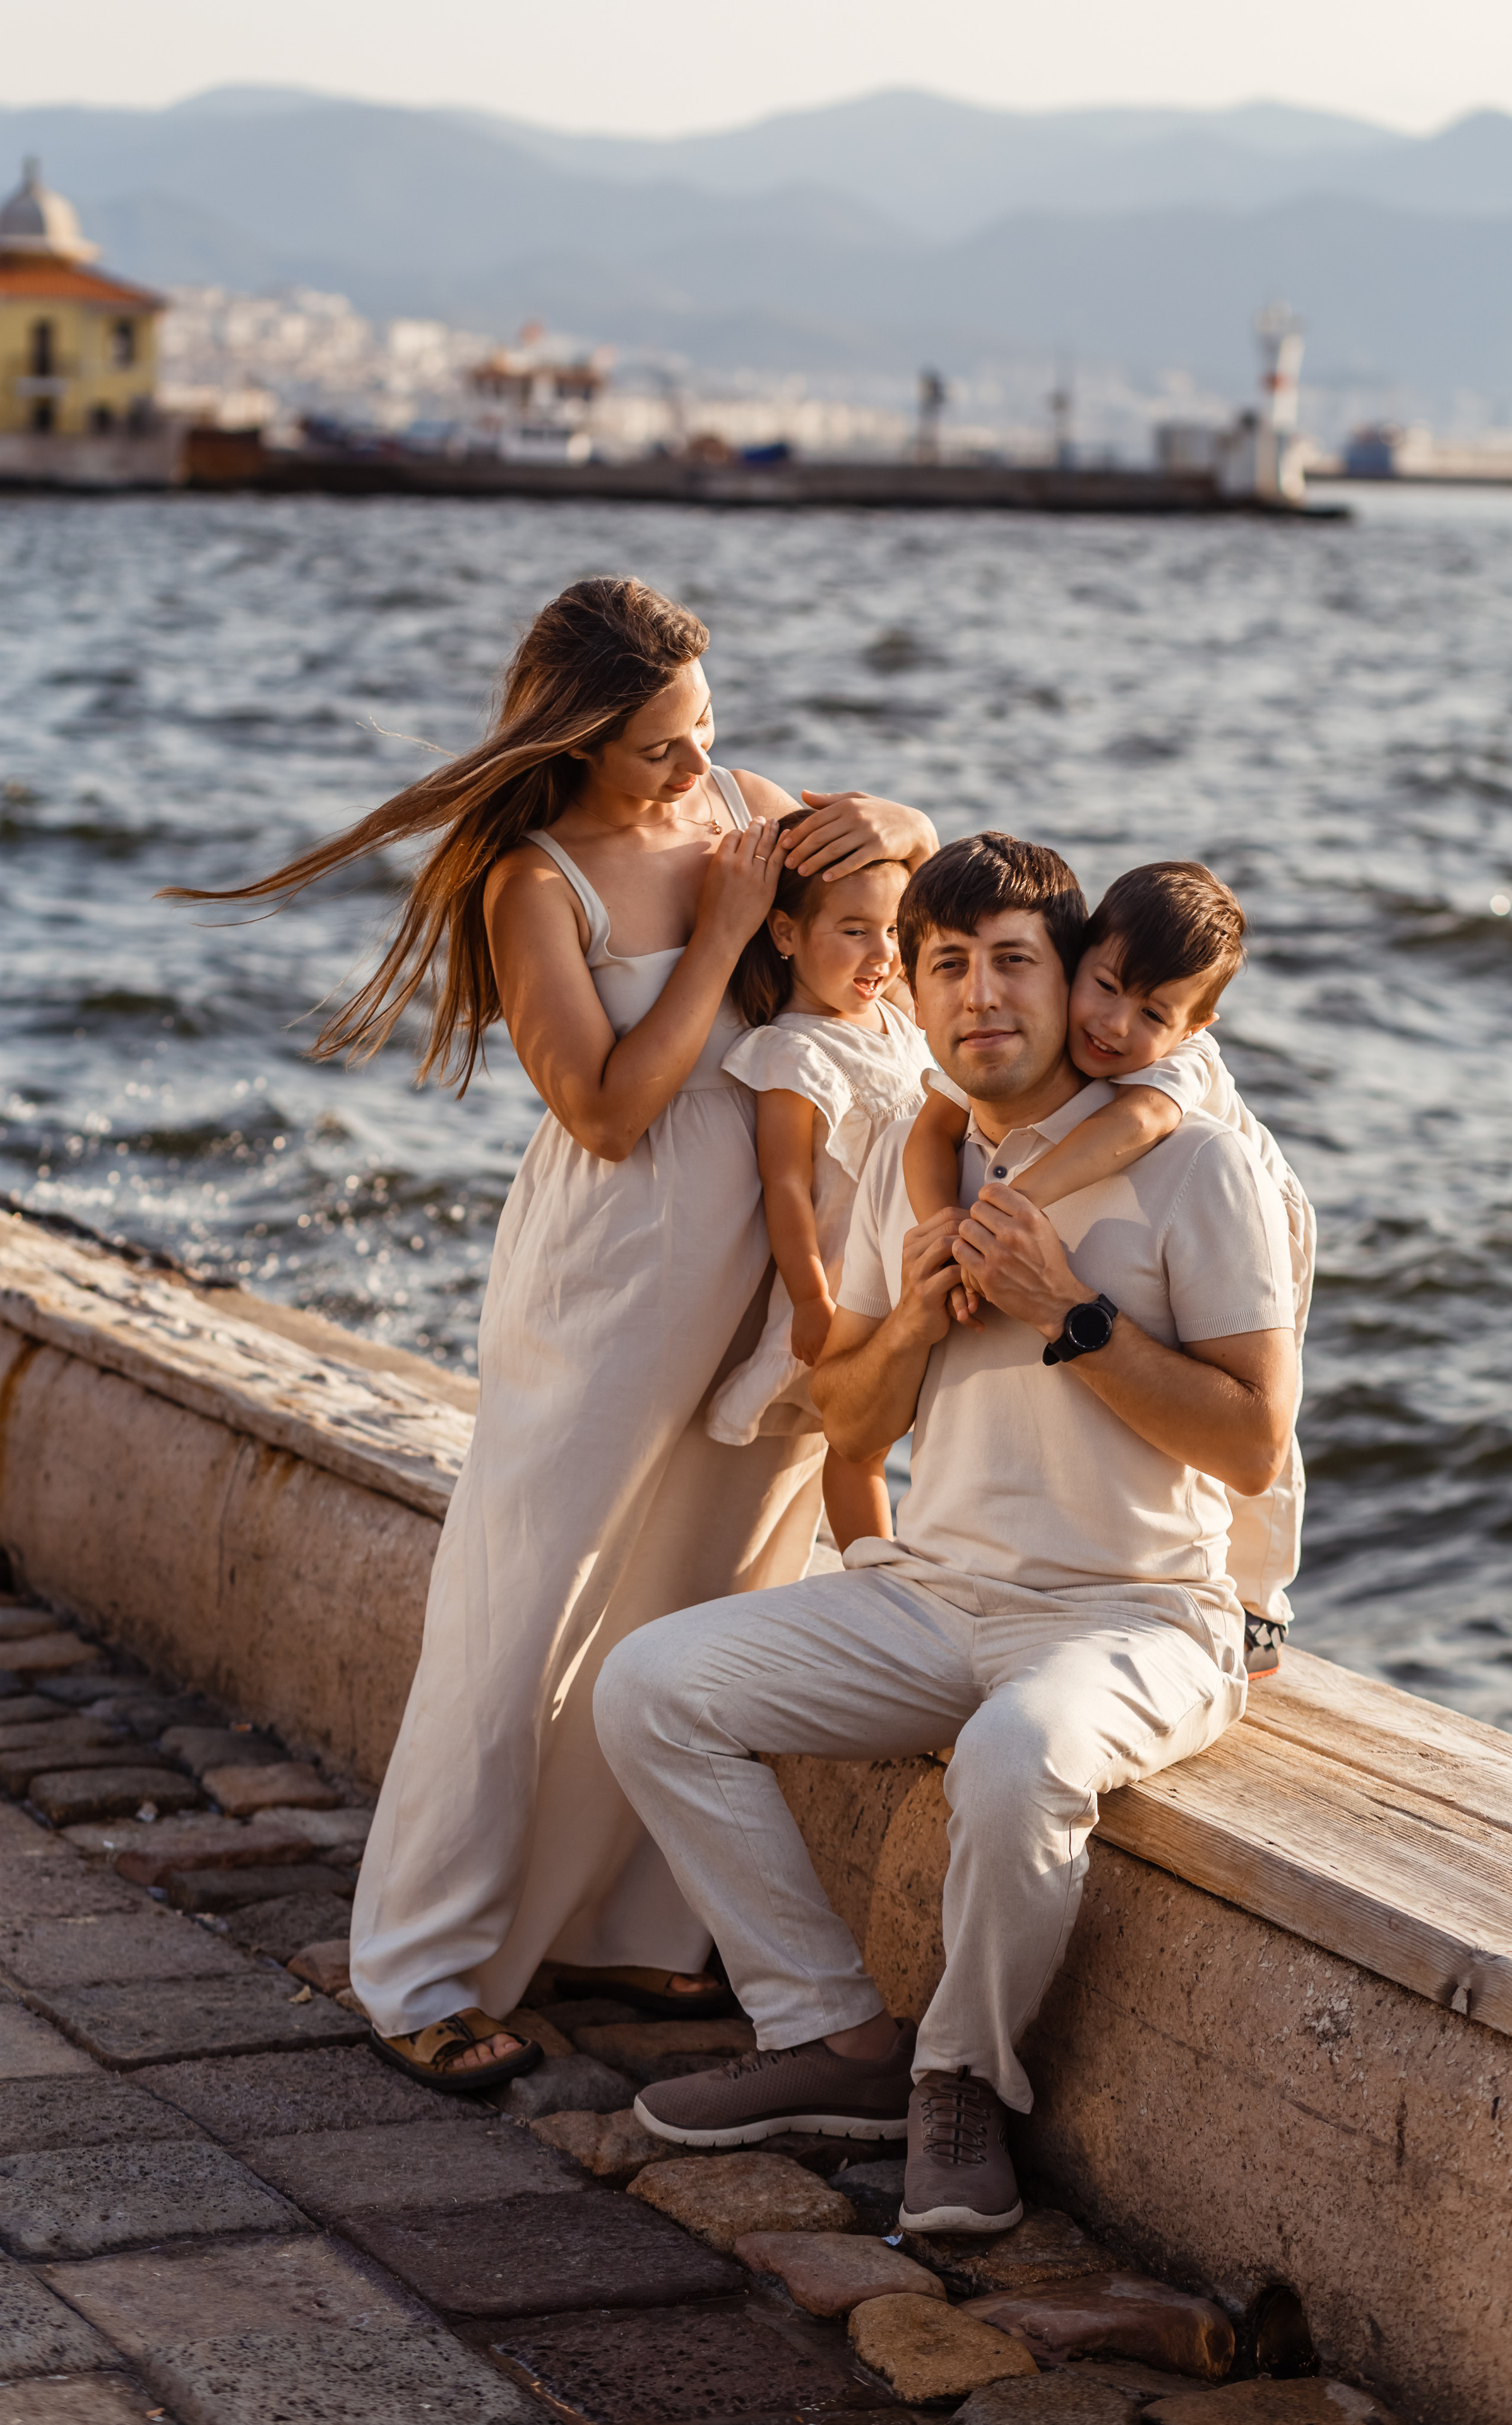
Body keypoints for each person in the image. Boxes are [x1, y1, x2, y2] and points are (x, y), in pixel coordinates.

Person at [163, 575, 936, 2092]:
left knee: (707, 1579)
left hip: (774, 1276)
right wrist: (719, 935)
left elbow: (901, 841)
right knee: (519, 1607)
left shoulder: (740, 802)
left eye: (701, 732)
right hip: (614, 1274)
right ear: (576, 739)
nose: (691, 768)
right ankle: (415, 1966)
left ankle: (622, 1920)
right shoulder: (535, 883)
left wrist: (889, 823)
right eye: (657, 746)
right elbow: (602, 1107)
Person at [595, 830, 1296, 2230]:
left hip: (1138, 1615)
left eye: (1013, 964)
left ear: (1073, 976)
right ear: (908, 995)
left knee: (1016, 1756)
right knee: (648, 1686)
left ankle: (959, 2078)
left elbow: (1247, 1438)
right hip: (937, 1594)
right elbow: (849, 1425)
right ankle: (830, 2036)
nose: (981, 994)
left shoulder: (1194, 1166)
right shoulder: (920, 1166)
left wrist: (1066, 1313)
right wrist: (917, 1309)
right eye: (945, 965)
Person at [902, 859, 1314, 1674]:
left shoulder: (1178, 1071)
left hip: (1260, 1212)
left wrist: (1015, 1198)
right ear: (1080, 955)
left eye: (1153, 1012)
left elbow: (1136, 1126)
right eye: (1105, 986)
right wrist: (943, 1233)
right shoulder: (1005, 1062)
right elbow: (930, 1125)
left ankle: (1259, 1605)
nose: (1116, 1026)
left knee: (1269, 1412)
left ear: (1196, 1025)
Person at [706, 806, 935, 1550]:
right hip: (842, 1277)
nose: (883, 954)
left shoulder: (898, 1027)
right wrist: (808, 1294)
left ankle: (938, 1552)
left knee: (915, 1423)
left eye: (895, 932)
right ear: (786, 935)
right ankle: (875, 1573)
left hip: (910, 1267)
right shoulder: (794, 1055)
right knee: (854, 1440)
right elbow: (784, 1186)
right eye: (855, 931)